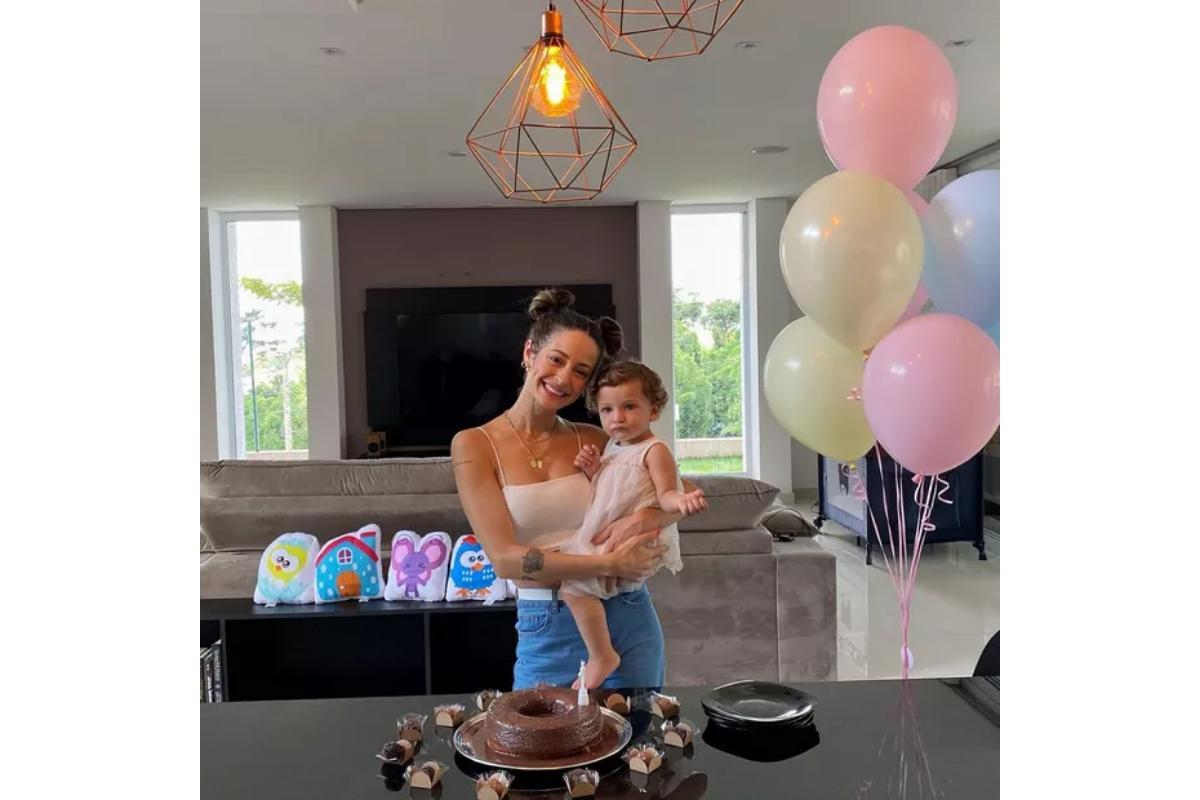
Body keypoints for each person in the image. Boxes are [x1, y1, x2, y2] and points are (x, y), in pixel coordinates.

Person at [451, 288, 697, 689]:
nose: (565, 378)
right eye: (557, 359)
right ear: (529, 352)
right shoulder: (475, 445)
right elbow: (506, 560)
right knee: (538, 730)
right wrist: (609, 563)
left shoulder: (596, 440)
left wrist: (640, 520)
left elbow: (684, 493)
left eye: (581, 371)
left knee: (638, 728)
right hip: (547, 624)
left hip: (628, 612)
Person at [561, 359, 708, 689]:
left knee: (573, 587)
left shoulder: (655, 450)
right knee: (579, 585)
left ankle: (601, 656)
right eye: (607, 410)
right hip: (609, 532)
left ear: (653, 410)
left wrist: (681, 501)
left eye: (629, 407)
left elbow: (666, 493)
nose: (617, 418)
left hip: (636, 536)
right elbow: (609, 490)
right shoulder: (613, 448)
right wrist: (593, 470)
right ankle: (602, 652)